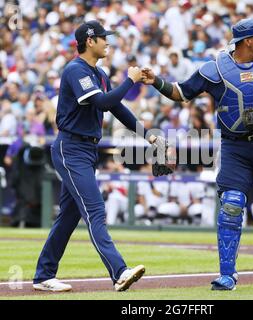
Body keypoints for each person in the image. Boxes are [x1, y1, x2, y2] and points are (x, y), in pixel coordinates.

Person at [142, 18, 253, 292]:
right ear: (247, 41)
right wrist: (155, 80)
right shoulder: (215, 69)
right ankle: (227, 274)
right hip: (234, 147)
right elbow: (181, 92)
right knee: (230, 205)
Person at [32, 20, 161, 293]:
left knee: (68, 216)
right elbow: (102, 102)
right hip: (71, 147)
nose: (107, 42)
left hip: (87, 149)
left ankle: (44, 274)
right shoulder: (75, 70)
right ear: (89, 41)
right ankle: (119, 271)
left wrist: (147, 134)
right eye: (103, 38)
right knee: (95, 209)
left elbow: (116, 108)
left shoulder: (98, 73)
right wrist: (130, 80)